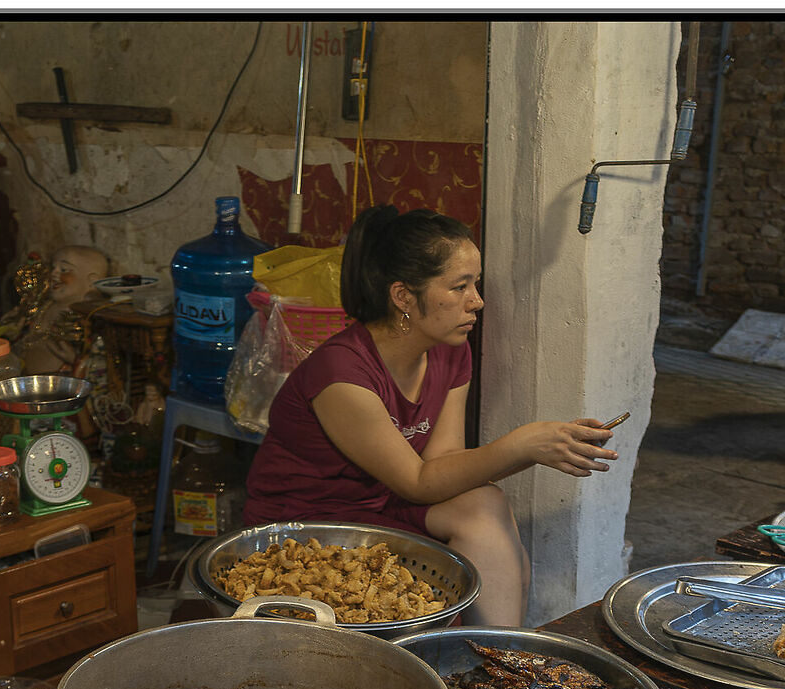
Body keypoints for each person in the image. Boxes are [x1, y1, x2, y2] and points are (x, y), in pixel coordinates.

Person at [240, 206, 618, 626]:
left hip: (381, 505)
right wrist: (524, 445)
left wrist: (534, 445)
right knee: (480, 514)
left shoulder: (450, 352)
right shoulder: (341, 374)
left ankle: (501, 655)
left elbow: (442, 464)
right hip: (310, 528)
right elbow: (418, 483)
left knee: (484, 502)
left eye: (475, 284)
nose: (477, 301)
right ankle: (494, 655)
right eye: (459, 287)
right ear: (403, 296)